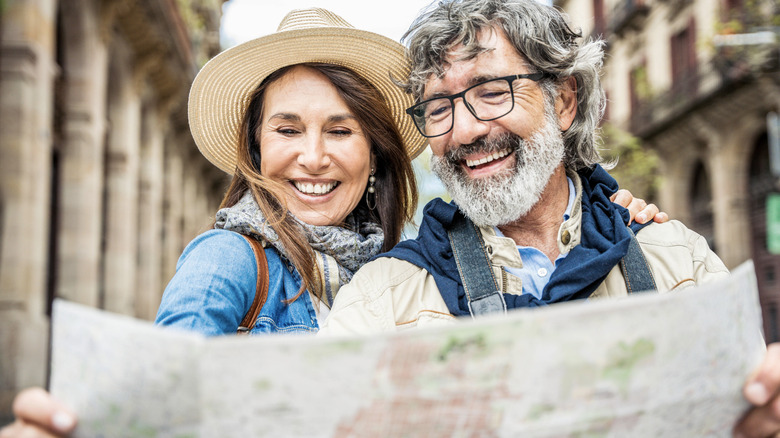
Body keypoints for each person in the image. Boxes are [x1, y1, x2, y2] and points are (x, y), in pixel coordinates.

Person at [0, 6, 665, 438]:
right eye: (287, 129)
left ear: (373, 153)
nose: (312, 157)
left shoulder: (395, 269)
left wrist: (621, 222)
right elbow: (160, 408)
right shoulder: (229, 259)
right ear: (256, 148)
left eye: (339, 131)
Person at [315, 1, 780, 436]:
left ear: (564, 102)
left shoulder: (679, 260)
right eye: (439, 108)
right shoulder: (380, 300)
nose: (465, 130)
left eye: (493, 92)